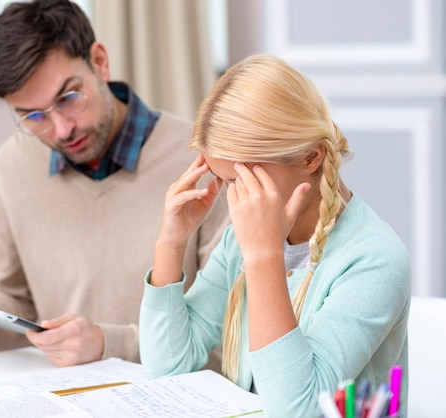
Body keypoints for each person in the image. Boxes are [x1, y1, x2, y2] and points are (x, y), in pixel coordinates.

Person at [0, 0, 228, 368]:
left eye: (69, 97)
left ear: (100, 62)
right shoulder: (12, 166)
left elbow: (227, 335)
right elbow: (14, 299)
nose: (61, 129)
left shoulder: (202, 163)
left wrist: (109, 344)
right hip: (61, 395)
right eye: (33, 116)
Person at [139, 54, 411, 417]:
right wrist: (171, 244)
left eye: (242, 181)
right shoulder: (239, 241)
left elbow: (296, 410)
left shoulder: (375, 260)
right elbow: (166, 368)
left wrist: (264, 257)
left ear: (311, 158)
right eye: (225, 182)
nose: (232, 199)